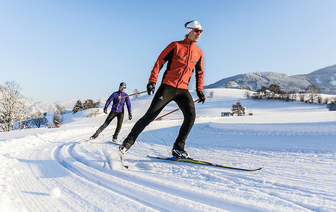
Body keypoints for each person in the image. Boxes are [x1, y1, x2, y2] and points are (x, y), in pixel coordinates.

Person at [119, 20, 205, 158]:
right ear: (189, 31)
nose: (199, 33)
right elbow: (159, 62)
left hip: (183, 89)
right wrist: (152, 81)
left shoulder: (199, 52)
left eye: (201, 31)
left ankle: (178, 148)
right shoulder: (175, 45)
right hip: (168, 86)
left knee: (191, 117)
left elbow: (200, 72)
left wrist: (199, 90)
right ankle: (127, 143)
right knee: (150, 115)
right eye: (197, 30)